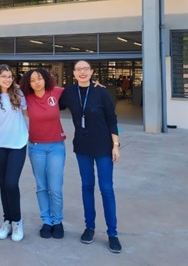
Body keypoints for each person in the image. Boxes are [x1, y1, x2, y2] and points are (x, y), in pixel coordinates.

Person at [59, 60, 122, 254]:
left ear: (92, 72)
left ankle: (112, 233)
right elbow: (51, 99)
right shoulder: (69, 92)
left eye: (86, 69)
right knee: (87, 186)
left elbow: (112, 119)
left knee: (106, 189)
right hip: (82, 147)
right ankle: (90, 227)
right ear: (74, 73)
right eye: (78, 69)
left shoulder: (101, 92)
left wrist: (116, 145)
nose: (82, 72)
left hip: (103, 147)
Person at [20, 68, 66, 240]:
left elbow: (78, 92)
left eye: (39, 78)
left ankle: (57, 221)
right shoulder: (26, 98)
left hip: (56, 147)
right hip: (36, 147)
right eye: (32, 80)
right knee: (41, 186)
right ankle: (46, 221)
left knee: (55, 187)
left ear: (46, 79)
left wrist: (95, 85)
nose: (37, 82)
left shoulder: (56, 92)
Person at [0, 64, 28, 242]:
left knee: (11, 183)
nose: (7, 79)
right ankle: (7, 221)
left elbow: (29, 112)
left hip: (18, 143)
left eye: (10, 76)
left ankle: (17, 221)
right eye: (3, 76)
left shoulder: (18, 94)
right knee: (3, 184)